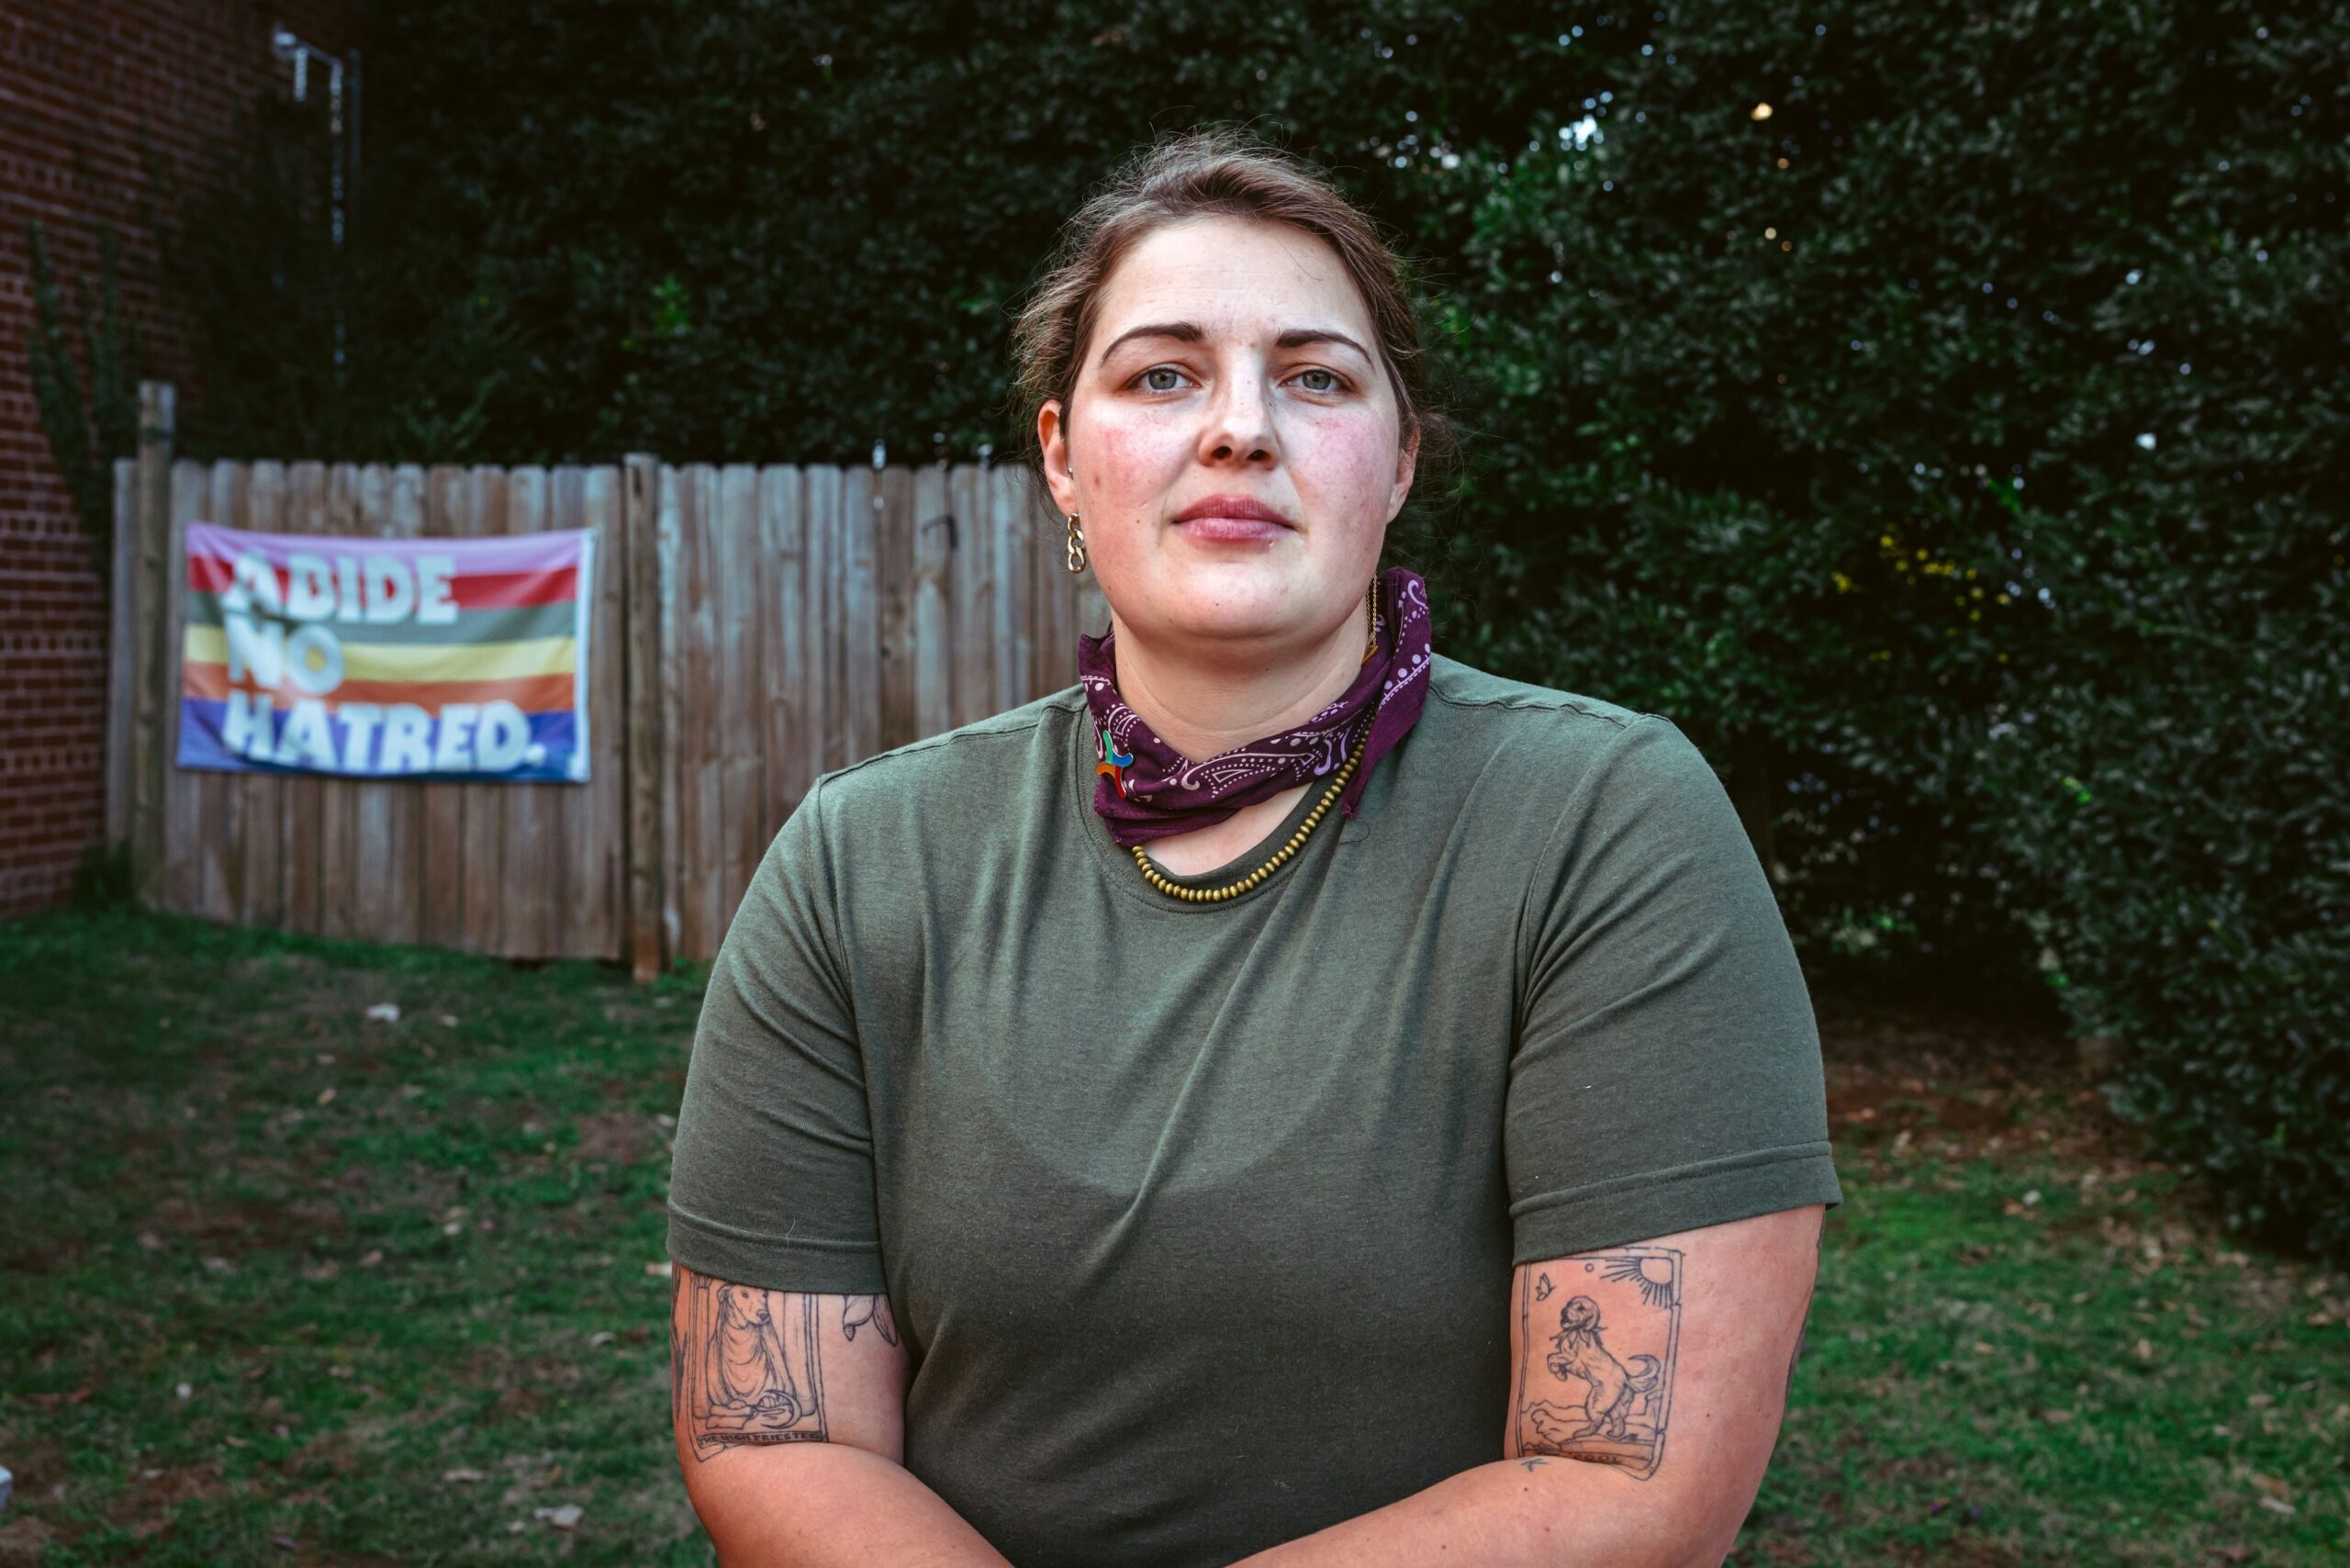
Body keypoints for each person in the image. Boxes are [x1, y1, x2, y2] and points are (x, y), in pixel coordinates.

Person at [664, 125, 1840, 1567]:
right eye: (1162, 374)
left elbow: (1629, 1481)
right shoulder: (863, 861)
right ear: (1062, 460)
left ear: (1397, 462)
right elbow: (770, 1430)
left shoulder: (1605, 824)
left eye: (1316, 378)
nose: (1239, 429)